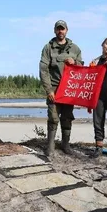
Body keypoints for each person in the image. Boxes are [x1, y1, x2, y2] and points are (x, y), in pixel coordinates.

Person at [39, 20, 83, 157]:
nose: (60, 31)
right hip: (54, 88)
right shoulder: (48, 48)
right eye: (58, 29)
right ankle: (50, 146)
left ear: (67, 30)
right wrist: (49, 90)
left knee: (67, 117)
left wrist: (74, 62)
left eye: (62, 29)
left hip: (69, 89)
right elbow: (43, 70)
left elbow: (82, 67)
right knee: (53, 117)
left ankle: (66, 145)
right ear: (54, 30)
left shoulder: (75, 48)